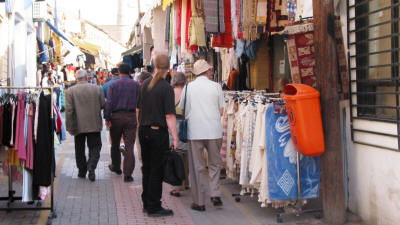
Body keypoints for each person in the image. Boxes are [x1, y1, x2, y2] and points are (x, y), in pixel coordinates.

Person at [179, 59, 224, 212]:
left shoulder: (188, 88)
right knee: (215, 163)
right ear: (207, 72)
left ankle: (199, 202)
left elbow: (183, 109)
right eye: (210, 70)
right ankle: (215, 194)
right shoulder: (216, 86)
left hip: (195, 131)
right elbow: (222, 110)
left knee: (197, 166)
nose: (212, 72)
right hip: (214, 130)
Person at [136, 54, 178, 217]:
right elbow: (169, 116)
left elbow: (138, 110)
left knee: (146, 168)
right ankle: (154, 206)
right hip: (157, 132)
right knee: (156, 170)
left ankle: (147, 202)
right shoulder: (166, 88)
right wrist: (174, 137)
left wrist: (139, 126)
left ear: (154, 66)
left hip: (144, 130)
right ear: (168, 68)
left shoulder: (144, 84)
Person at [65, 70, 105, 182]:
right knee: (95, 146)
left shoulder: (70, 91)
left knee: (79, 148)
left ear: (77, 78)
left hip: (78, 124)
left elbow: (69, 111)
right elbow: (103, 105)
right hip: (94, 123)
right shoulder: (97, 89)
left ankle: (82, 171)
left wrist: (69, 127)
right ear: (86, 77)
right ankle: (91, 165)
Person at [104, 64, 140, 182]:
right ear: (129, 72)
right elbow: (139, 102)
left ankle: (116, 167)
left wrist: (107, 117)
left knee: (115, 143)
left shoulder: (113, 85)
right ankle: (128, 174)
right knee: (130, 146)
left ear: (119, 72)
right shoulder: (135, 85)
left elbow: (109, 103)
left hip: (116, 117)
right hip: (131, 116)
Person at [169, 72, 190, 198]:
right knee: (186, 155)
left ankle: (177, 186)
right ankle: (186, 182)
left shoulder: (170, 93)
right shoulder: (187, 93)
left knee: (175, 155)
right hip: (186, 125)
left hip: (172, 124)